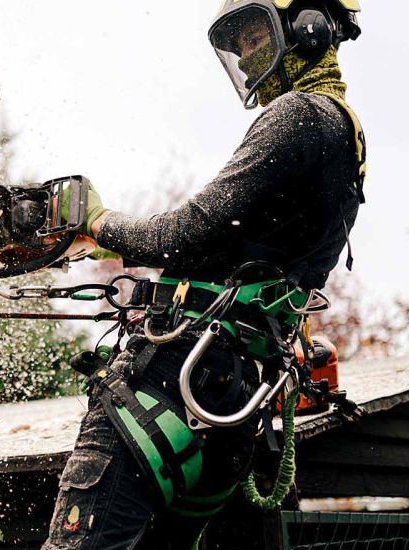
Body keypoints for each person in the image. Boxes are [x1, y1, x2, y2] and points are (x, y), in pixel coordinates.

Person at [41, 1, 366, 548]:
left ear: (309, 29)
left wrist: (97, 221)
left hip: (175, 377)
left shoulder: (302, 115)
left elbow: (184, 233)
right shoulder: (348, 144)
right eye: (235, 45)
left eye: (253, 36)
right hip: (231, 403)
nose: (243, 55)